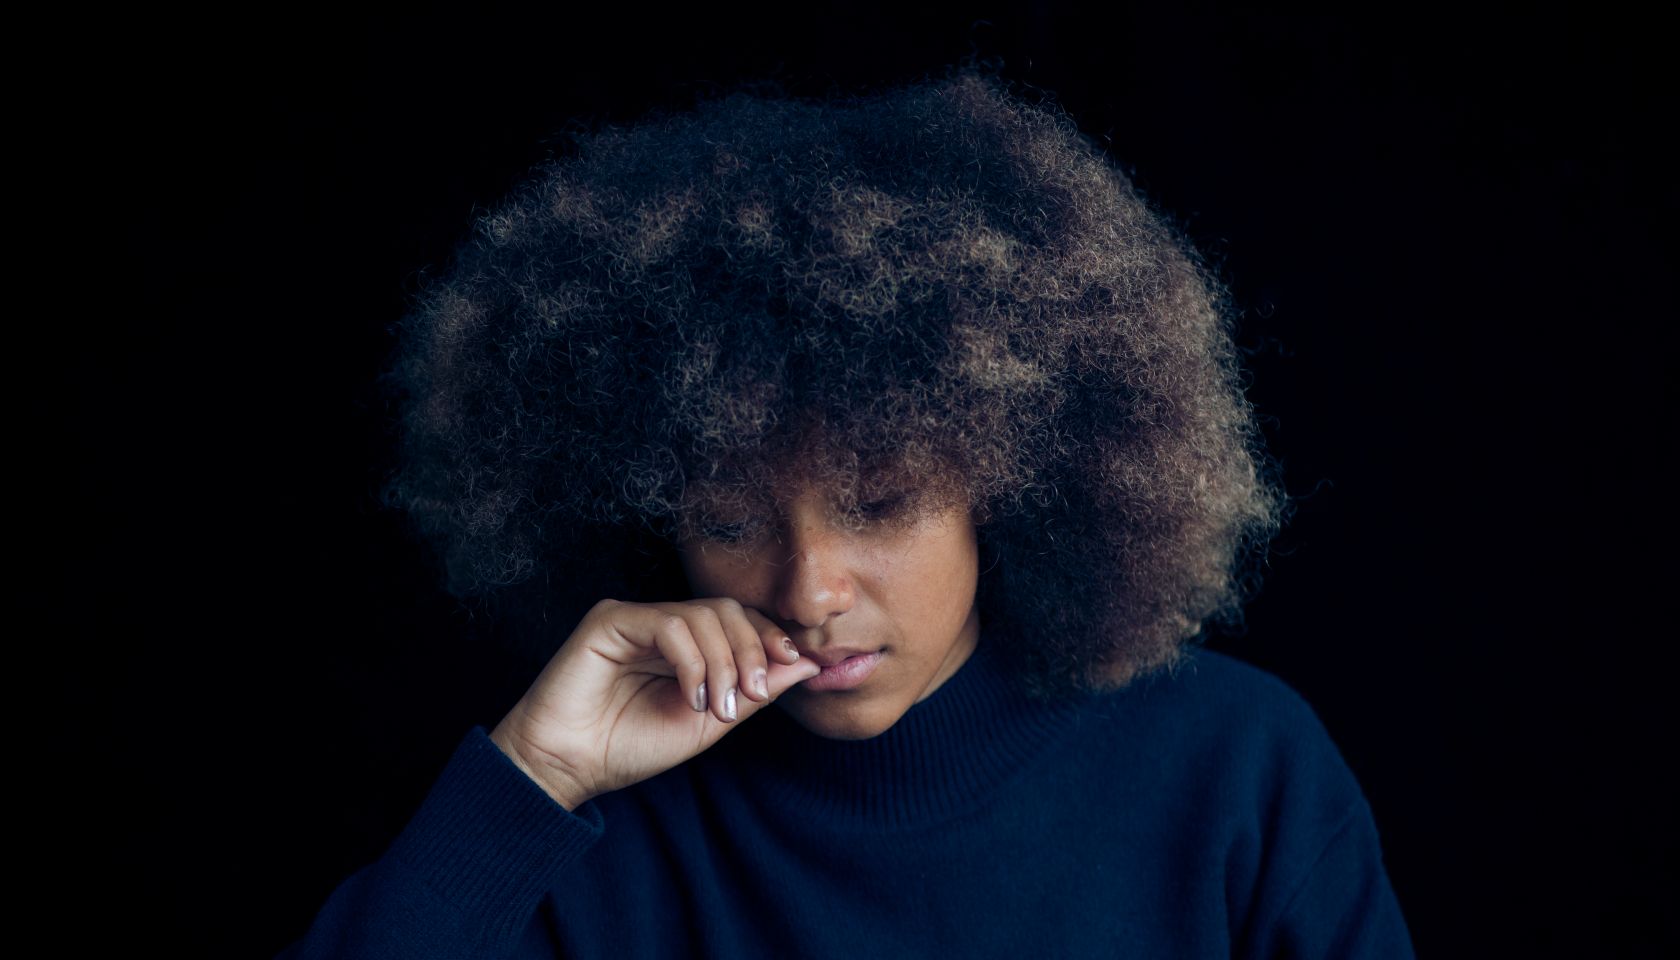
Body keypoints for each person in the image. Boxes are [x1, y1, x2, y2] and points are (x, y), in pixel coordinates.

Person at [280, 65, 1416, 958]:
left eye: (880, 504)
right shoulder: (599, 831)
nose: (810, 588)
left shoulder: (1236, 772)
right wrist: (533, 775)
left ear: (1012, 476)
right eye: (730, 519)